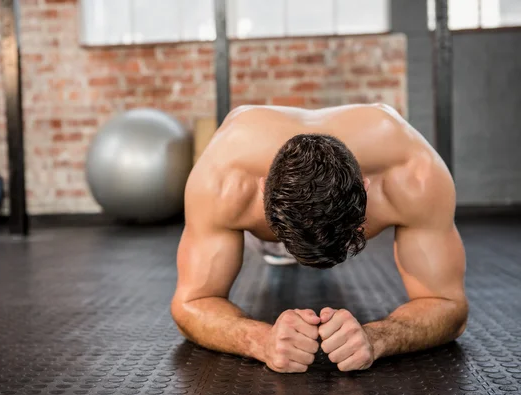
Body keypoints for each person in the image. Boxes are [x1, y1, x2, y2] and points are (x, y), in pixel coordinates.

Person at [171, 103, 468, 373]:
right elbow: (190, 303)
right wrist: (259, 341)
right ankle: (278, 243)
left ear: (366, 189)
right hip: (260, 223)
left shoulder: (415, 174)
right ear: (263, 190)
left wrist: (377, 338)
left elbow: (449, 304)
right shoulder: (221, 182)